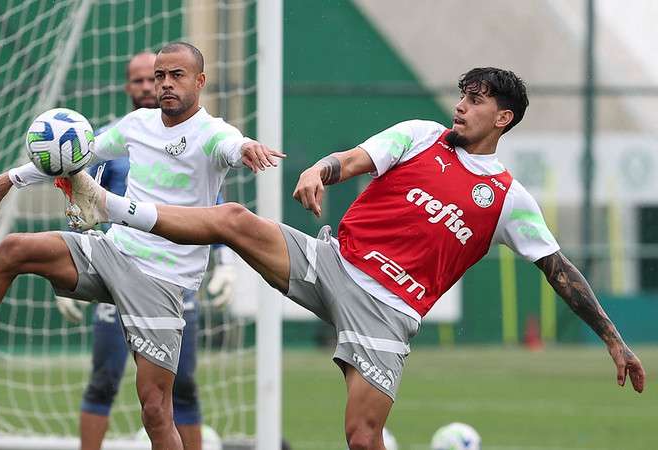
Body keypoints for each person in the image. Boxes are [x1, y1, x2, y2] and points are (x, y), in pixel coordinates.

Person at [60, 67, 646, 450]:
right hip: (331, 263)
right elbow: (356, 159)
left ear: (504, 119)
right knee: (235, 221)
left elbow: (559, 270)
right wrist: (320, 170)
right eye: (463, 95)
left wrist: (615, 340)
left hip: (387, 317)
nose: (461, 106)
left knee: (363, 438)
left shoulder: (509, 201)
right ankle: (111, 206)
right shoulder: (422, 134)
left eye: (477, 101)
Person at [0, 41, 281, 450]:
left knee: (156, 410)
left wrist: (247, 148)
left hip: (164, 283)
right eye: (160, 76)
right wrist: (11, 178)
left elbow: (231, 144)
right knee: (13, 249)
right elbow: (76, 155)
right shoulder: (137, 124)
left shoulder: (212, 132)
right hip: (114, 253)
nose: (165, 84)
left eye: (176, 75)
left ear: (200, 81)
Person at [52, 51, 234, 450]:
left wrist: (224, 262)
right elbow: (79, 199)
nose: (149, 86)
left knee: (180, 386)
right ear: (129, 87)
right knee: (104, 379)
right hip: (119, 271)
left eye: (158, 78)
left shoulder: (197, 138)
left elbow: (213, 203)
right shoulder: (111, 139)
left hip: (174, 280)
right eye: (140, 80)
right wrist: (70, 280)